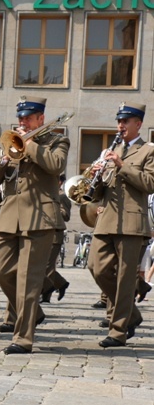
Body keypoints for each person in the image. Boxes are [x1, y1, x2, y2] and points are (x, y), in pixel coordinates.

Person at [0, 96, 69, 354]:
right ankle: (34, 312)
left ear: (40, 119)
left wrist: (29, 145)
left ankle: (23, 338)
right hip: (11, 217)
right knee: (0, 272)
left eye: (28, 117)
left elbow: (56, 165)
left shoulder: (57, 140)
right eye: (21, 117)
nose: (23, 121)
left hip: (39, 218)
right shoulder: (10, 141)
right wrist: (4, 159)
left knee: (28, 280)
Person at [87, 101, 154, 347]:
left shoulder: (148, 150)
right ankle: (132, 315)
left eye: (126, 121)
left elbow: (149, 183)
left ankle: (118, 331)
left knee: (126, 278)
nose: (121, 125)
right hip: (106, 219)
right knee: (97, 268)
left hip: (132, 223)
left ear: (139, 124)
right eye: (119, 121)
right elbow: (96, 194)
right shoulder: (110, 151)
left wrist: (122, 165)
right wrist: (97, 175)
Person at [40, 174, 71, 303]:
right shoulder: (44, 192)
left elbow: (66, 215)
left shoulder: (62, 196)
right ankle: (61, 283)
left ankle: (45, 295)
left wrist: (52, 207)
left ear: (60, 182)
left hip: (55, 235)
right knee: (41, 266)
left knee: (48, 266)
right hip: (42, 232)